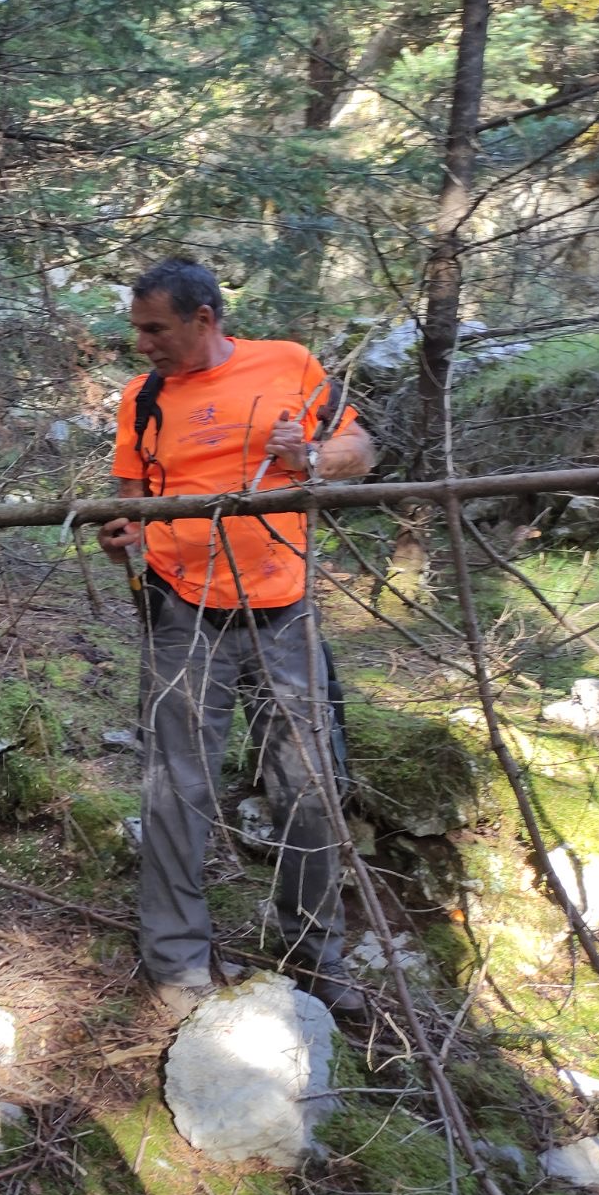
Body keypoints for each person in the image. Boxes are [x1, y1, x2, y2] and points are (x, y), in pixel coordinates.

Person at [96, 258, 375, 1021]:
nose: (142, 343)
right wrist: (120, 537)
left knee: (309, 790)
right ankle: (178, 963)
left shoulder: (290, 365)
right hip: (183, 612)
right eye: (138, 328)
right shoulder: (143, 398)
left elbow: (362, 452)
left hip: (285, 611)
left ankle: (315, 957)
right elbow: (128, 507)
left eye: (155, 329)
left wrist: (307, 458)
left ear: (205, 319)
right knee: (176, 791)